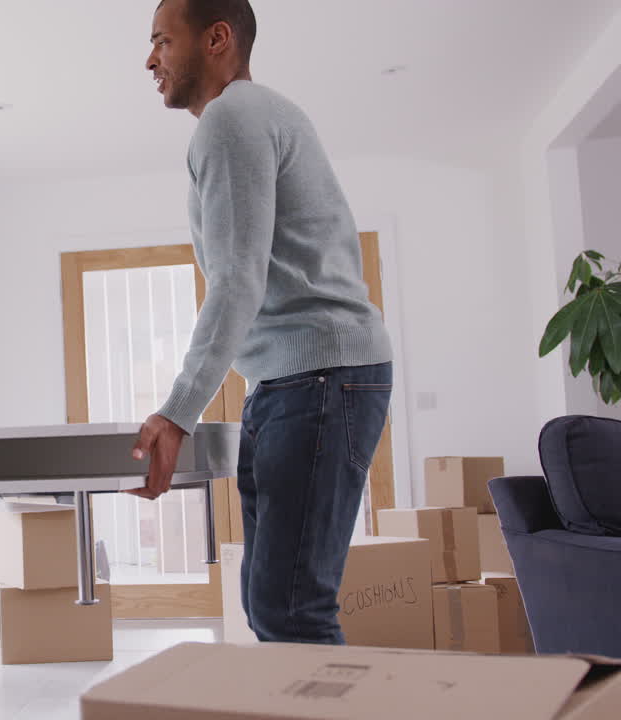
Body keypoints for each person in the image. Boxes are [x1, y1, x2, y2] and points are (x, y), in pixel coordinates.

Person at [129, 0, 395, 645]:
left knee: (290, 610)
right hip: (301, 378)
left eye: (163, 41)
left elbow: (237, 279)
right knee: (269, 603)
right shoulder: (260, 113)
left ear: (216, 38)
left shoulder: (233, 119)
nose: (150, 60)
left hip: (319, 377)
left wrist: (178, 412)